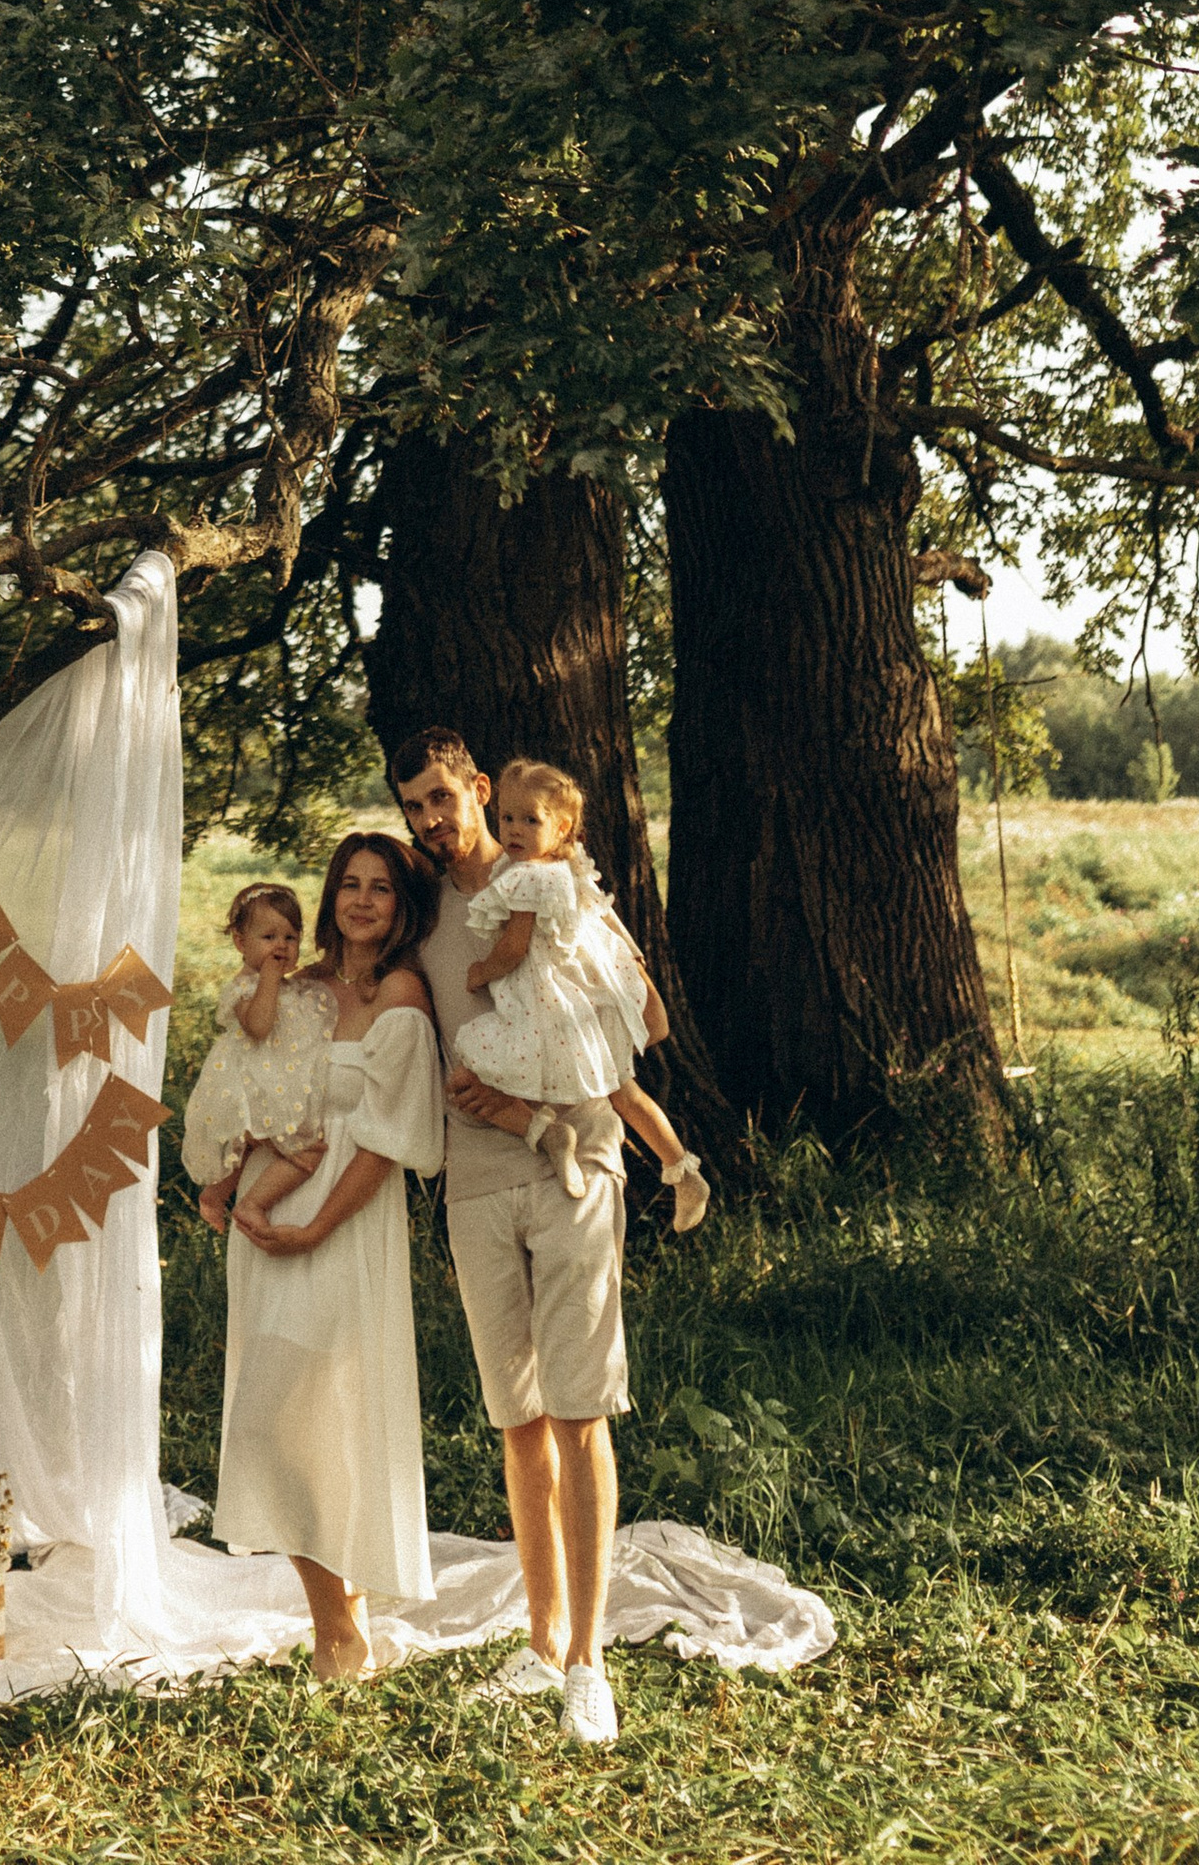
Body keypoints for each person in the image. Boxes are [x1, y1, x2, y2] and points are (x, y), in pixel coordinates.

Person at [393, 726, 643, 1750]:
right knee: (519, 1420)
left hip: (571, 1166)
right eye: (413, 808)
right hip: (472, 1183)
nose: (431, 824)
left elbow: (639, 1016)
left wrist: (552, 1100)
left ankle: (589, 1661)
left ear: (479, 789)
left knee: (581, 1412)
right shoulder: (419, 910)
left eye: (441, 801)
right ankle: (540, 1644)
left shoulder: (552, 881)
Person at [209, 829, 447, 1680]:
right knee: (272, 1422)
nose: (362, 900)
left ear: (400, 905)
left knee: (328, 1417)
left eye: (381, 887)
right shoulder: (297, 989)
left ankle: (341, 1627)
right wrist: (225, 1180)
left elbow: (389, 1141)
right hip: (269, 1221)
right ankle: (336, 1617)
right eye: (349, 883)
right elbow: (242, 1078)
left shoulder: (402, 998)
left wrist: (316, 1228)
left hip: (343, 1227)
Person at [454, 757, 711, 1235]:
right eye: (507, 817)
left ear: (561, 826)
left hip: (554, 1003)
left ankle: (548, 1134)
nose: (513, 829)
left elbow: (512, 949)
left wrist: (480, 973)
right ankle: (682, 1170)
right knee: (624, 1092)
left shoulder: (529, 877)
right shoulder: (565, 864)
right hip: (582, 1000)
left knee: (484, 1064)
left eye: (530, 820)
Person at [182, 879, 337, 1234]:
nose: (280, 946)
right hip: (248, 1080)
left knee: (256, 1149)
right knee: (291, 1148)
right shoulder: (245, 986)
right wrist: (269, 977)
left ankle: (217, 1197)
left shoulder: (291, 987)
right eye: (268, 938)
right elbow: (259, 1026)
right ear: (241, 941)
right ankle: (236, 1201)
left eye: (290, 937)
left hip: (277, 1079)